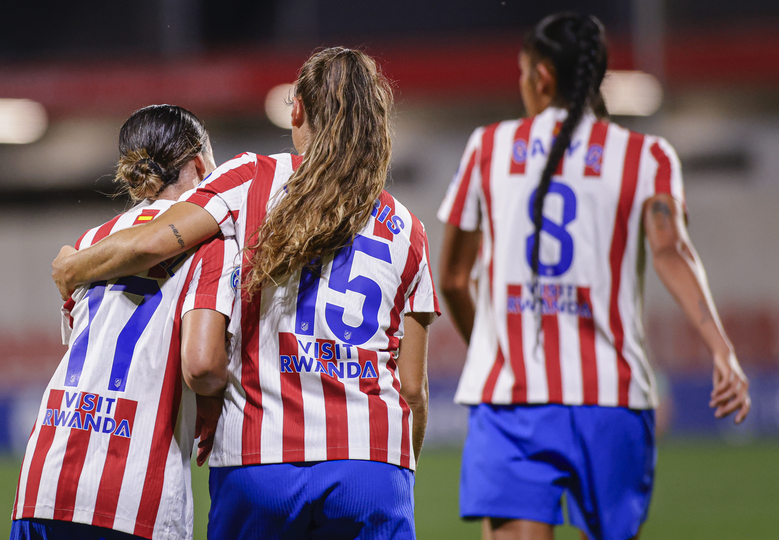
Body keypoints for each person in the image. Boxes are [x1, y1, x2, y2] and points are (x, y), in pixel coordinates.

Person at [52, 47, 440, 539]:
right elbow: (412, 390)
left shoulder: (256, 177)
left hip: (261, 460)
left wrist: (72, 267)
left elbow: (152, 241)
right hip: (372, 464)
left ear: (295, 109)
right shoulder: (409, 229)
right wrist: (395, 470)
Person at [437, 12, 751, 540]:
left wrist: (490, 346)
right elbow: (672, 251)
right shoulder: (647, 156)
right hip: (612, 401)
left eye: (522, 75)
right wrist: (721, 348)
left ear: (540, 77)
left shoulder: (487, 148)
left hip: (513, 403)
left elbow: (452, 278)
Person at [11, 105, 235, 540]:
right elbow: (203, 363)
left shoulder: (87, 245)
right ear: (200, 164)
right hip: (134, 494)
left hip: (45, 479)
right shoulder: (213, 246)